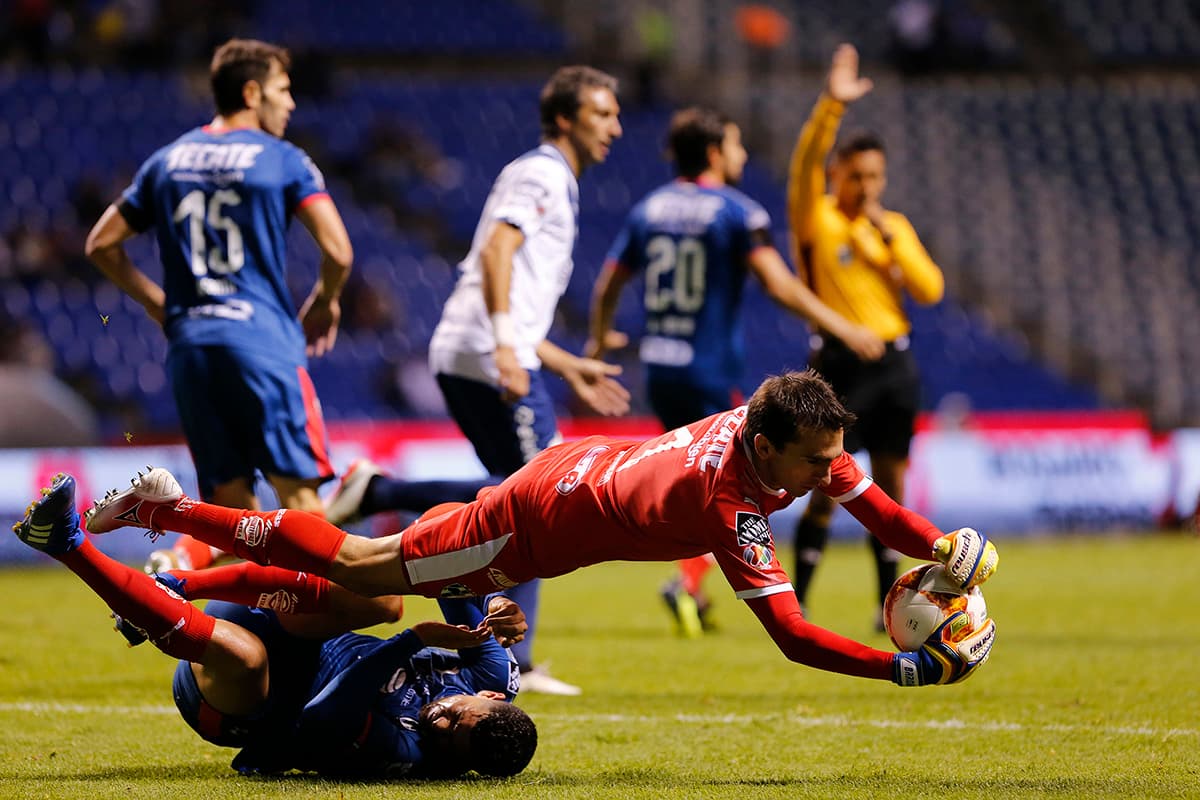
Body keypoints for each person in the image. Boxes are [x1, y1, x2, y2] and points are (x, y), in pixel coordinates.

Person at [82, 370, 998, 688]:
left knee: (366, 598)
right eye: (812, 463)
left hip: (571, 466)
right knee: (361, 570)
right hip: (527, 525)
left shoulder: (780, 430)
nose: (826, 475)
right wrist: (907, 667)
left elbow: (860, 487)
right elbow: (794, 639)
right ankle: (165, 510)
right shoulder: (724, 506)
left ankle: (186, 581)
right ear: (765, 448)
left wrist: (936, 545)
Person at [330, 66, 630, 696]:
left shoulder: (554, 181)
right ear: (567, 118)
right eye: (603, 114)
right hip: (483, 353)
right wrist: (503, 344)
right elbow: (495, 251)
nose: (616, 127)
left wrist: (560, 360)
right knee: (542, 498)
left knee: (513, 496)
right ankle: (511, 657)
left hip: (482, 351)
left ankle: (383, 491)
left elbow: (513, 289)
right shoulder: (543, 173)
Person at [586, 106, 885, 636]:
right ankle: (691, 584)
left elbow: (609, 281)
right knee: (735, 483)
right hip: (706, 369)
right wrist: (840, 324)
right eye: (737, 144)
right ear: (714, 152)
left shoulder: (648, 209)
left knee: (689, 483)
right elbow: (779, 284)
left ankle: (691, 585)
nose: (742, 154)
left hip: (660, 366)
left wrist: (600, 336)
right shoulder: (736, 211)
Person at [12, 478, 537, 778]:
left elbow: (321, 714)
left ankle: (65, 542)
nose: (439, 721)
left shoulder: (407, 754)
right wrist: (492, 597)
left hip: (253, 704)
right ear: (491, 695)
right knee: (382, 596)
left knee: (247, 657)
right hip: (299, 626)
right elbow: (450, 570)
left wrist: (414, 642)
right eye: (457, 717)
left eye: (450, 740)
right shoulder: (493, 667)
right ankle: (177, 574)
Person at [83, 38, 350, 573]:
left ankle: (243, 637)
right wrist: (326, 300)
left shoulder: (167, 160)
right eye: (282, 90)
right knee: (302, 504)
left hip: (193, 349)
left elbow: (100, 245)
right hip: (262, 343)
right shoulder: (284, 159)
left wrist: (162, 308)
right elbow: (338, 250)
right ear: (252, 92)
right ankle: (321, 644)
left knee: (234, 518)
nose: (291, 103)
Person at [786, 44, 946, 627]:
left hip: (894, 365)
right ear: (837, 175)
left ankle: (890, 605)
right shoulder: (818, 218)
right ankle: (798, 598)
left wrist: (890, 237)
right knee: (826, 481)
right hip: (838, 364)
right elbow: (802, 167)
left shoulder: (892, 228)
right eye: (857, 175)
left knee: (891, 486)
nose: (867, 185)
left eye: (875, 175)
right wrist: (830, 107)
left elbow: (930, 288)